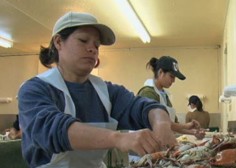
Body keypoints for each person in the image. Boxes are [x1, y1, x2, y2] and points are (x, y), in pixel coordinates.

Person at [17, 11, 178, 168]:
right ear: (58, 42)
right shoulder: (34, 89)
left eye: (96, 45)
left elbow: (143, 106)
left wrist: (162, 123)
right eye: (83, 40)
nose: (92, 49)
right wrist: (118, 139)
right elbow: (53, 129)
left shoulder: (106, 92)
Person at [137, 56, 200, 135]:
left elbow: (173, 124)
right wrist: (186, 126)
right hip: (149, 144)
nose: (173, 81)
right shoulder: (148, 93)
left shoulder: (164, 95)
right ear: (160, 73)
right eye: (171, 76)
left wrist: (193, 132)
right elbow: (161, 122)